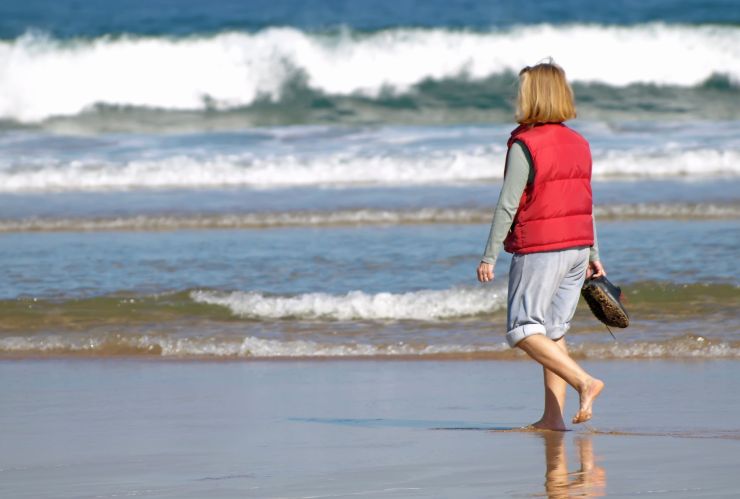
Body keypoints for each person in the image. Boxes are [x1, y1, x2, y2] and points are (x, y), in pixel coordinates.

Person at [477, 61, 605, 430]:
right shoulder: (579, 141)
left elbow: (508, 202)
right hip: (579, 247)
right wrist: (595, 254)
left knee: (522, 330)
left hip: (541, 248)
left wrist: (490, 253)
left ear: (531, 95)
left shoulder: (525, 143)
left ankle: (585, 381)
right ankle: (553, 419)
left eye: (522, 89)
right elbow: (585, 202)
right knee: (553, 332)